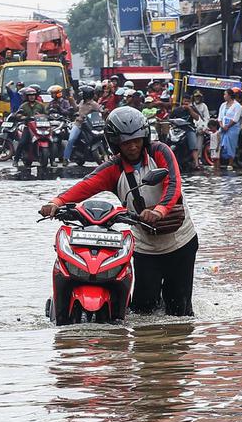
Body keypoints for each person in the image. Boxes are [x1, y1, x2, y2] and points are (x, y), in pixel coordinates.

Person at [38, 107, 197, 317]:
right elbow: (87, 185)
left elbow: (173, 184)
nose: (132, 146)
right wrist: (56, 202)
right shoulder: (113, 168)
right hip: (145, 246)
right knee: (143, 309)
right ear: (115, 144)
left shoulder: (160, 152)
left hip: (180, 241)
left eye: (137, 140)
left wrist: (159, 211)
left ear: (145, 137)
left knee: (179, 309)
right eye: (125, 142)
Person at [64, 85, 103, 163]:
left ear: (87, 94)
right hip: (79, 124)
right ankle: (66, 157)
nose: (81, 94)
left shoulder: (94, 104)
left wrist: (104, 111)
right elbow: (76, 108)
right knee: (71, 139)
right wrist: (71, 99)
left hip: (90, 125)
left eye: (83, 93)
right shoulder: (82, 102)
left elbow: (100, 112)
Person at [13, 86, 47, 165]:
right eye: (30, 95)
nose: (32, 97)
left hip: (39, 127)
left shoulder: (41, 105)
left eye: (33, 95)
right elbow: (17, 115)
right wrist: (23, 117)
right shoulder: (23, 106)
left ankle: (52, 160)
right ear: (27, 97)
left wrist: (41, 115)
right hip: (28, 127)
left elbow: (46, 114)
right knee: (22, 142)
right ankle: (16, 160)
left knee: (49, 139)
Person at [172, 91, 203, 170]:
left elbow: (197, 118)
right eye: (185, 101)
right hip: (178, 130)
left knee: (193, 145)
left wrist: (190, 110)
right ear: (182, 101)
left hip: (189, 129)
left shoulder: (192, 109)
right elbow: (170, 118)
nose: (186, 103)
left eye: (188, 101)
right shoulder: (177, 110)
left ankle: (196, 163)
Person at [216, 87, 242, 169]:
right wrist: (221, 125)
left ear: (230, 96)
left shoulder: (237, 106)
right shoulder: (223, 105)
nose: (224, 96)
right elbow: (220, 117)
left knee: (231, 145)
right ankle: (219, 162)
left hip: (232, 127)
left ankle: (230, 163)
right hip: (223, 126)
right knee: (219, 144)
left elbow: (235, 118)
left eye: (225, 94)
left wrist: (228, 126)